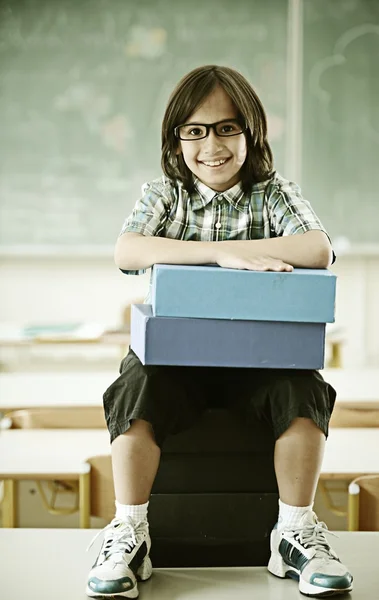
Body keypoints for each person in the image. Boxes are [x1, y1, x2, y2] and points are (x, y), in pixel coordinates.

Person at [86, 65, 353, 599]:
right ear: (177, 138)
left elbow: (316, 248)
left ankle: (293, 531)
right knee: (137, 385)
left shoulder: (273, 194)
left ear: (251, 132)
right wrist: (223, 254)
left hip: (260, 363)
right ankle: (130, 528)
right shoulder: (165, 194)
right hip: (175, 364)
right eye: (196, 130)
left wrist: (243, 251)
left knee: (303, 388)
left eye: (228, 128)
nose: (212, 144)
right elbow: (128, 250)